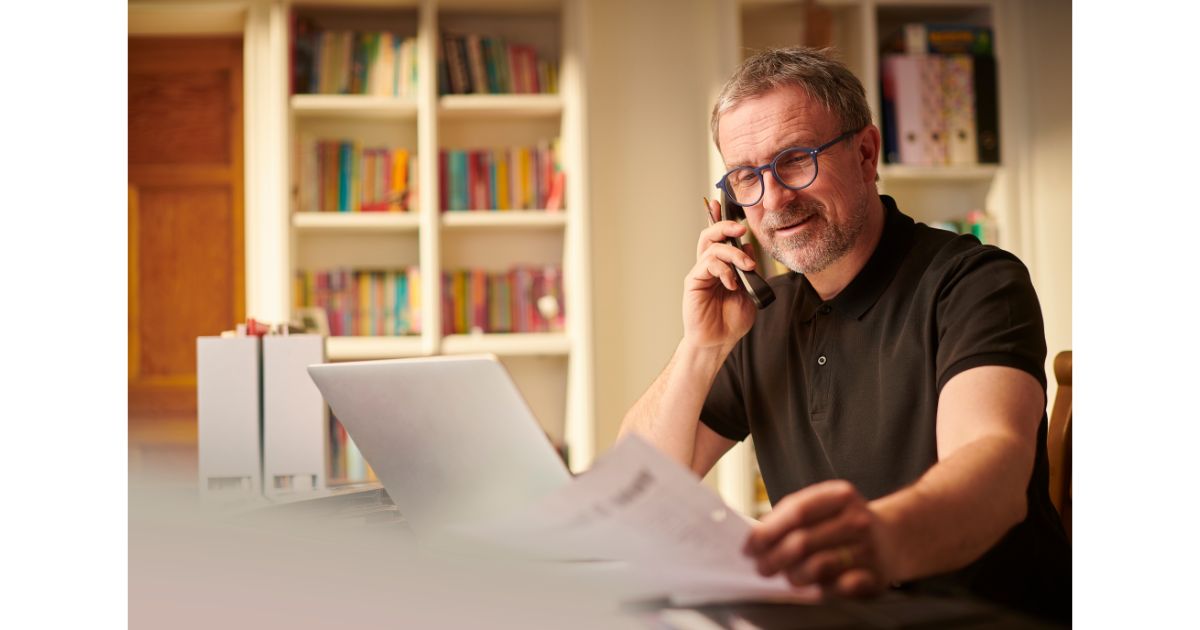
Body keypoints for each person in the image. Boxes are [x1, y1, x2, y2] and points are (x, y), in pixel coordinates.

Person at [619, 47, 1070, 623]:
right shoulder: (761, 315)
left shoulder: (974, 282)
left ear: (865, 153)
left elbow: (994, 471)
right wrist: (701, 347)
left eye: (796, 160)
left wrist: (876, 541)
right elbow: (633, 485)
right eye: (746, 177)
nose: (775, 199)